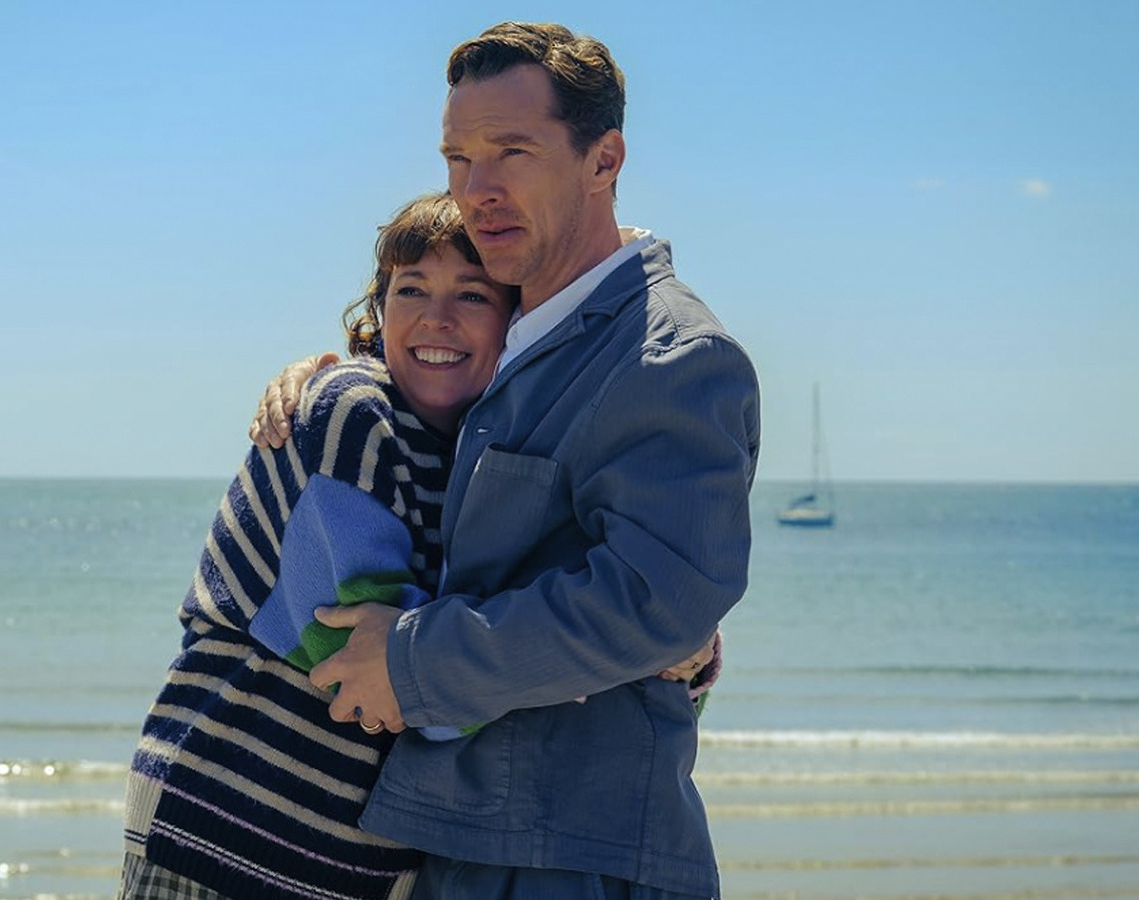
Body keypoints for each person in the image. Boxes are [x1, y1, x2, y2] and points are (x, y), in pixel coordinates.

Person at [253, 22, 760, 900]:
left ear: (604, 160)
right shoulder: (518, 331)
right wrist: (336, 374)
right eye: (458, 158)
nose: (476, 190)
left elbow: (658, 601)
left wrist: (411, 665)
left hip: (579, 858)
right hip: (461, 846)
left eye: (511, 152)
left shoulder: (672, 357)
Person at [119, 193, 519, 900]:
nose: (437, 317)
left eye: (473, 294)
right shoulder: (351, 410)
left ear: (516, 319)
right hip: (222, 825)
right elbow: (358, 666)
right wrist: (565, 661)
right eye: (411, 289)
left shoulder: (484, 454)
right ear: (379, 308)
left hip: (353, 864)